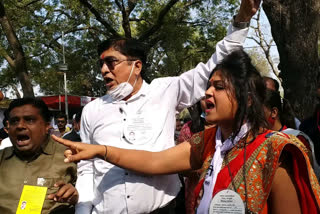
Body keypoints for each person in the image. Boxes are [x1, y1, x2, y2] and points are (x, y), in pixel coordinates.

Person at [53, 49, 320, 214]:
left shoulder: (275, 150)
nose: (207, 93)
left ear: (248, 98)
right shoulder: (205, 143)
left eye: (219, 87)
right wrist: (101, 150)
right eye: (208, 86)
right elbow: (154, 161)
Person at [72, 1, 260, 213]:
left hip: (165, 208)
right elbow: (87, 168)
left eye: (111, 62)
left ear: (137, 66)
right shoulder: (91, 110)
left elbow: (214, 67)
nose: (104, 70)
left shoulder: (166, 91)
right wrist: (83, 209)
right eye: (101, 65)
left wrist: (242, 20)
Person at [0, 98, 78, 214]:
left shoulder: (70, 157)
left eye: (29, 120)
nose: (20, 126)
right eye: (14, 121)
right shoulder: (1, 159)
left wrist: (76, 197)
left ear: (47, 126)